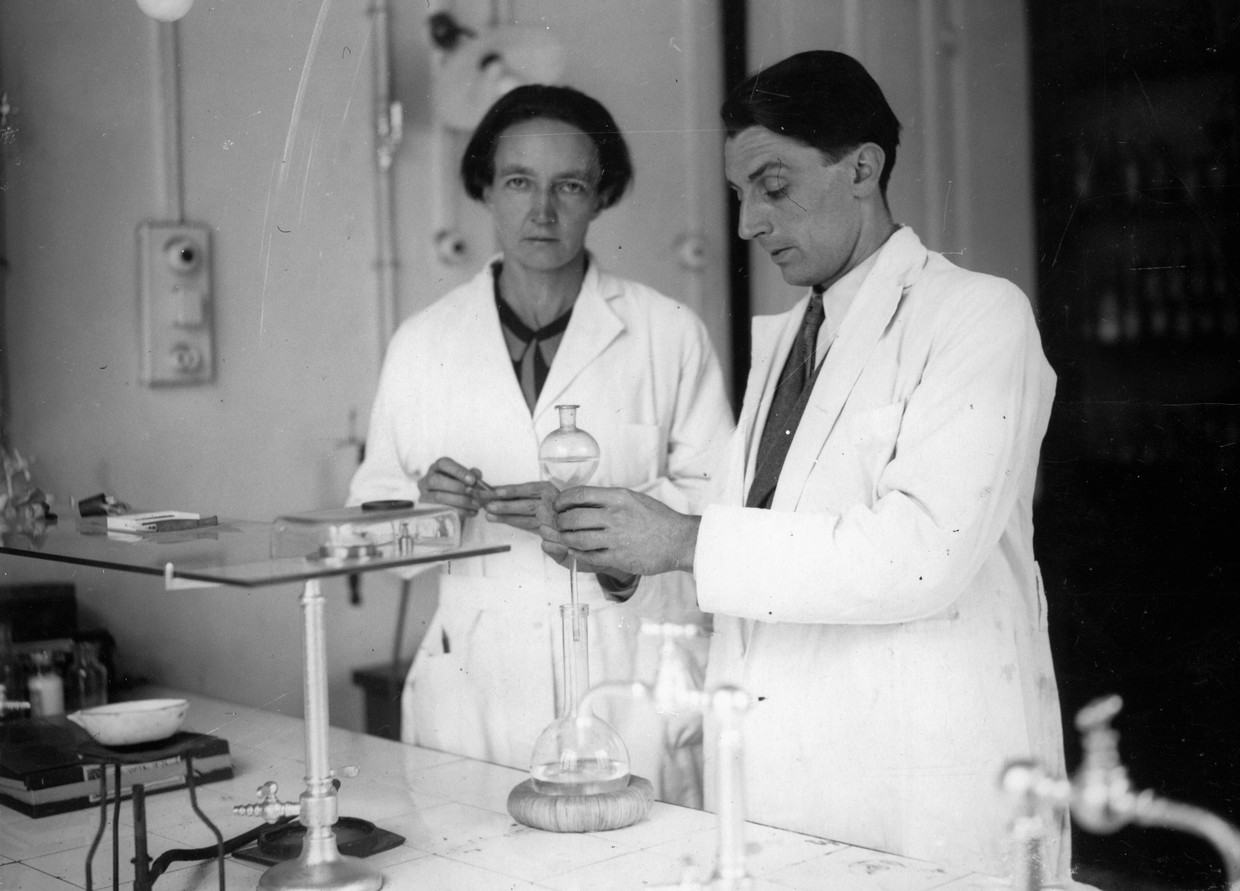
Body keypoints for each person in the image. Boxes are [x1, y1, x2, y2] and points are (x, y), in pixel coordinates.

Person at [541, 51, 1072, 880]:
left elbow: (921, 556)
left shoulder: (976, 316)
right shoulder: (785, 340)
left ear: (863, 167)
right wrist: (617, 549)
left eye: (773, 184)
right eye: (739, 193)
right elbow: (736, 554)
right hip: (782, 785)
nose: (749, 220)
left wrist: (679, 540)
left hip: (917, 792)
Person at [348, 84, 732, 806]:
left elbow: (719, 506)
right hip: (476, 680)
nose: (543, 209)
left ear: (601, 196)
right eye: (520, 181)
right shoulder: (424, 341)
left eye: (570, 185)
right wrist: (429, 510)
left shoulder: (666, 331)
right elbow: (369, 519)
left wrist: (617, 533)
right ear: (486, 191)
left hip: (630, 666)